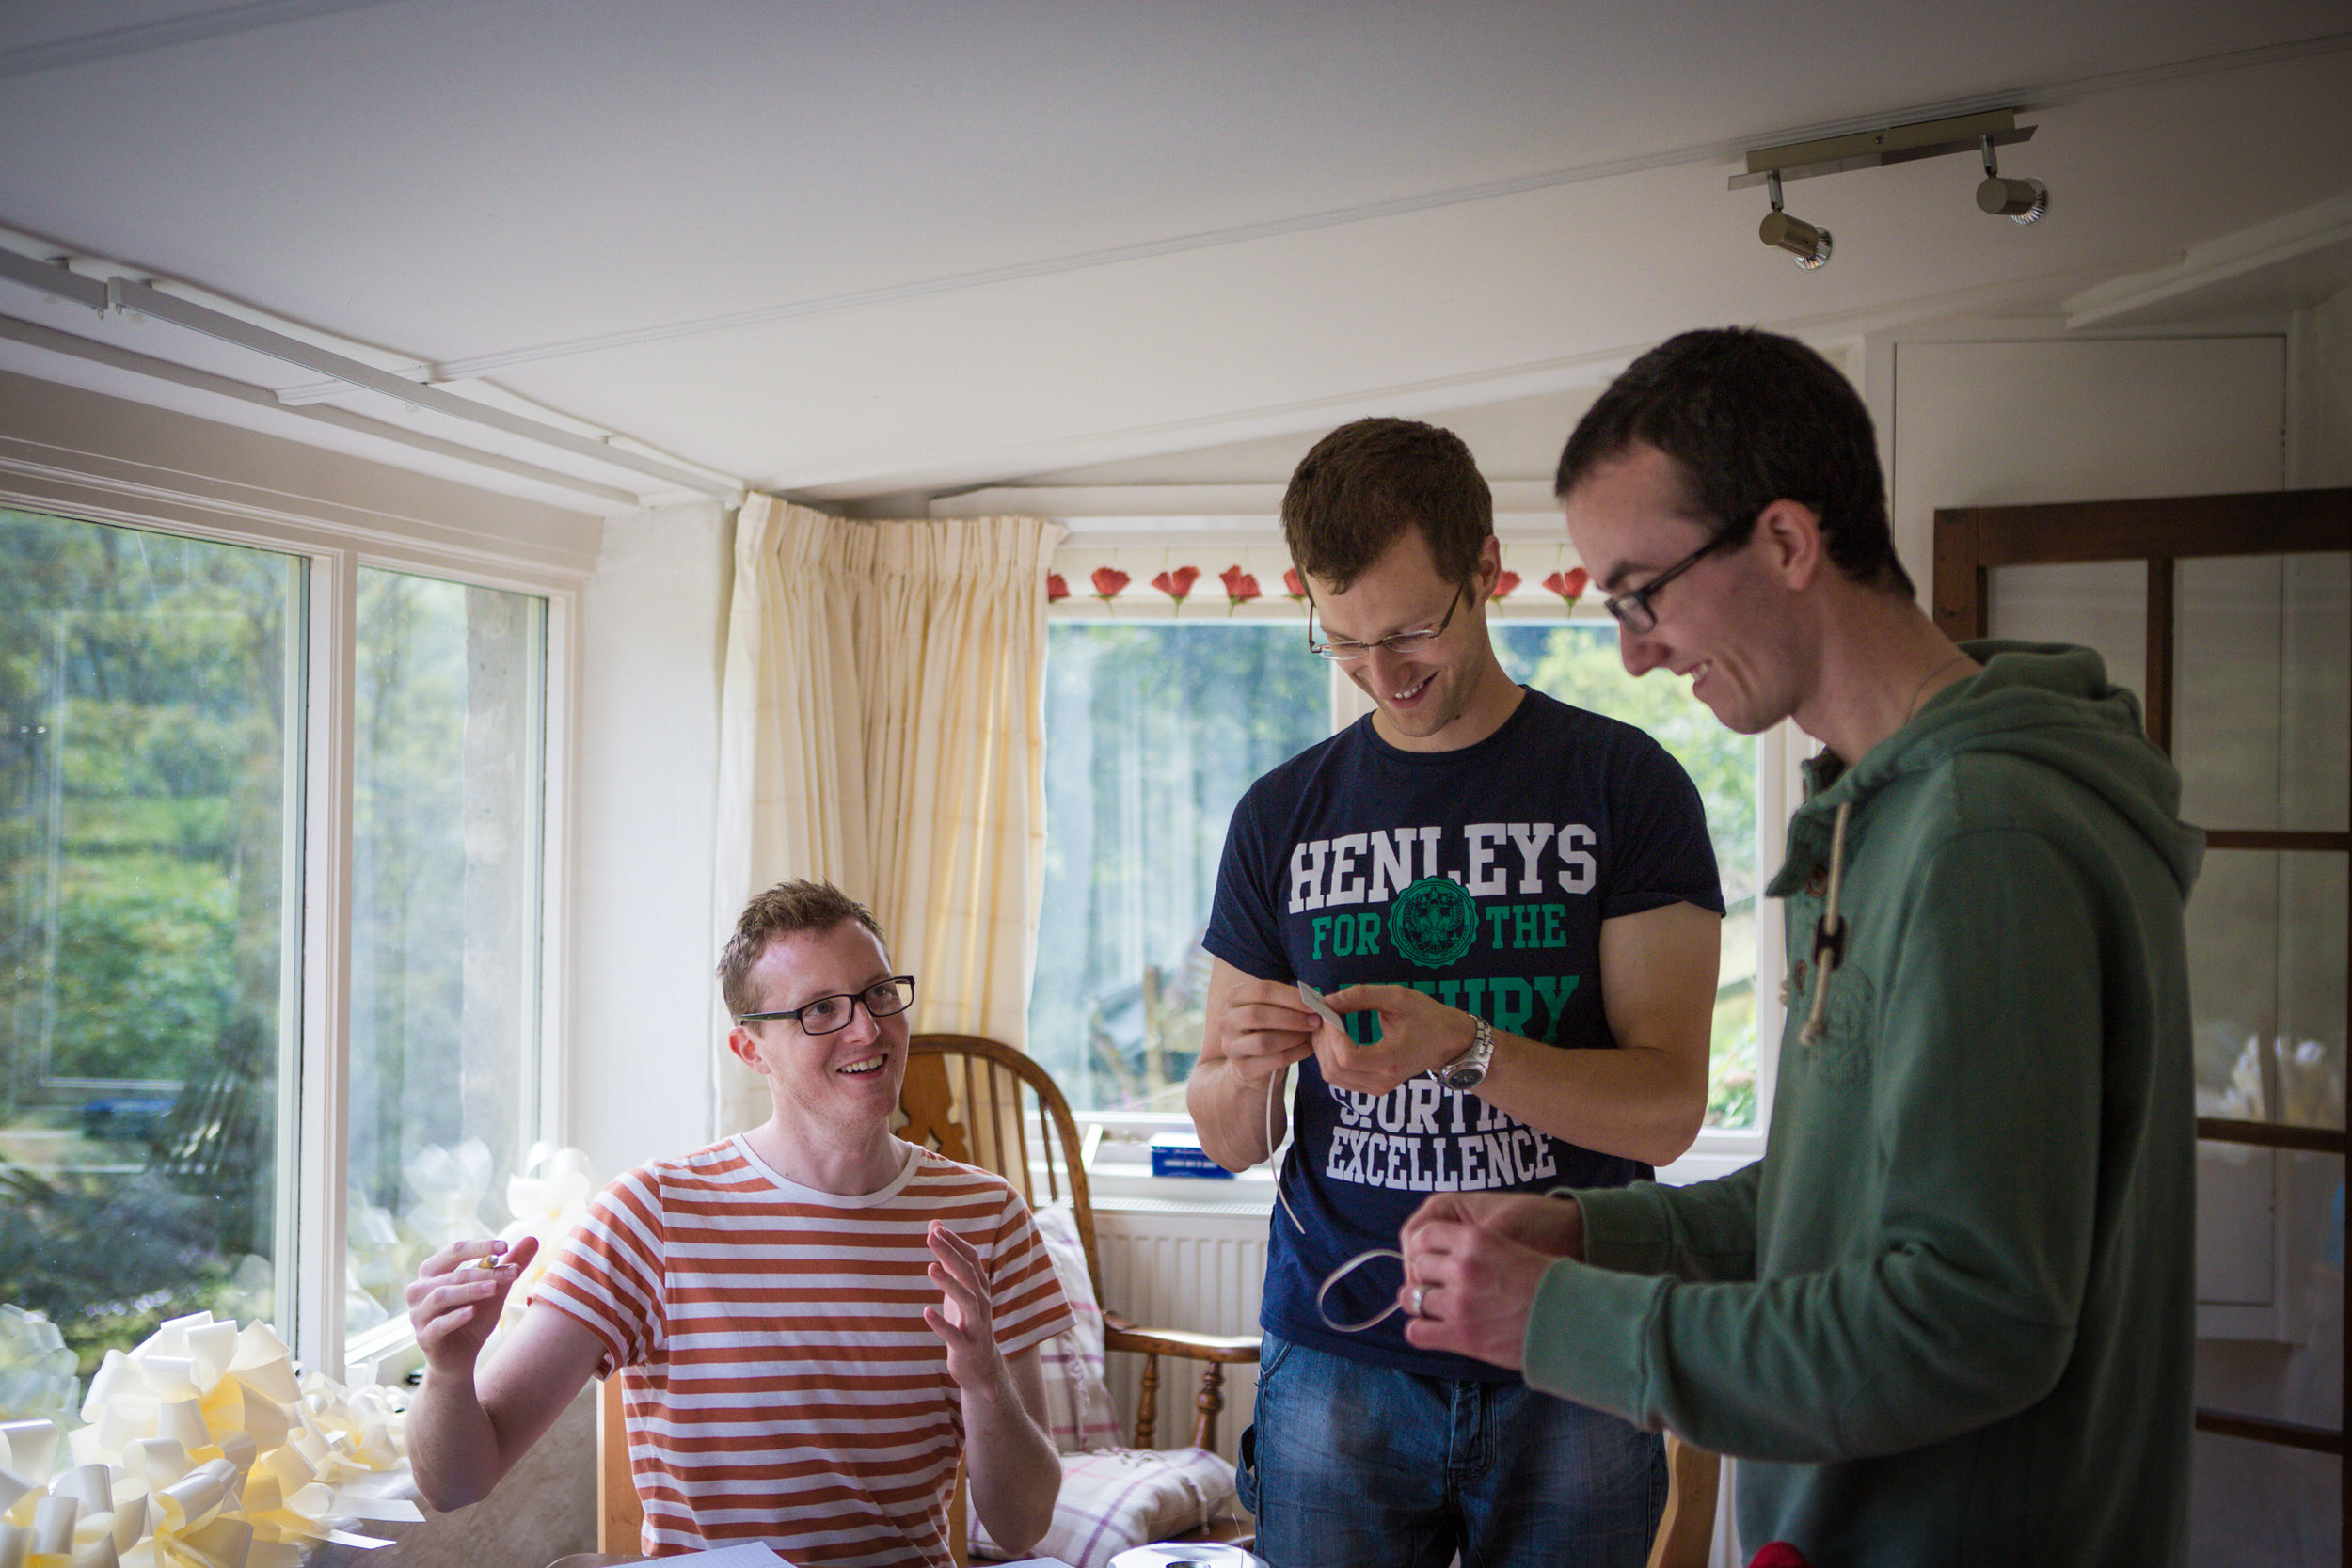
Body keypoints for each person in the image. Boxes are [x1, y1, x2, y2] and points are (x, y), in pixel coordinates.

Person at [1396, 328, 2201, 1566]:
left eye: (1640, 590)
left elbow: (1966, 1317)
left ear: (1785, 541)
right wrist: (1589, 1232)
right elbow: (1831, 1204)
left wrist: (1563, 1319)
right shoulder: (1881, 815)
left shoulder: (1982, 833)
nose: (1635, 649)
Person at [1186, 417, 1726, 1568]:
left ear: (1486, 568)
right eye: (1340, 642)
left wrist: (1466, 1049)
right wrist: (1239, 1066)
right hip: (1335, 1353)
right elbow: (1230, 1139)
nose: (1382, 676)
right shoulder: (1278, 815)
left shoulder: (1626, 786)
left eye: (1412, 630)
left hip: (1570, 1344)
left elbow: (1668, 1110)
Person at [403, 879, 1070, 1566]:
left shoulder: (987, 1215)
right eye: (821, 1009)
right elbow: (456, 1482)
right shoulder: (650, 1213)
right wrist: (448, 1372)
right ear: (750, 1049)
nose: (868, 1028)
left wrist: (986, 1384)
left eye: (877, 993)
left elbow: (1022, 1526)